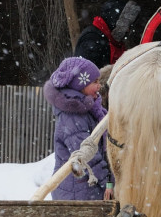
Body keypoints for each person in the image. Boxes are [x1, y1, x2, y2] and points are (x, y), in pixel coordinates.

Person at [43, 57, 112, 201]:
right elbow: (88, 155)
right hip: (76, 192)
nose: (99, 86)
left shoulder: (91, 109)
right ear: (80, 84)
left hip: (86, 188)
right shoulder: (72, 116)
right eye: (95, 82)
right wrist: (107, 183)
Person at [74, 0, 142, 68]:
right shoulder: (92, 39)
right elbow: (87, 74)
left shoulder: (112, 40)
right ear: (114, 21)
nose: (127, 30)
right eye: (124, 25)